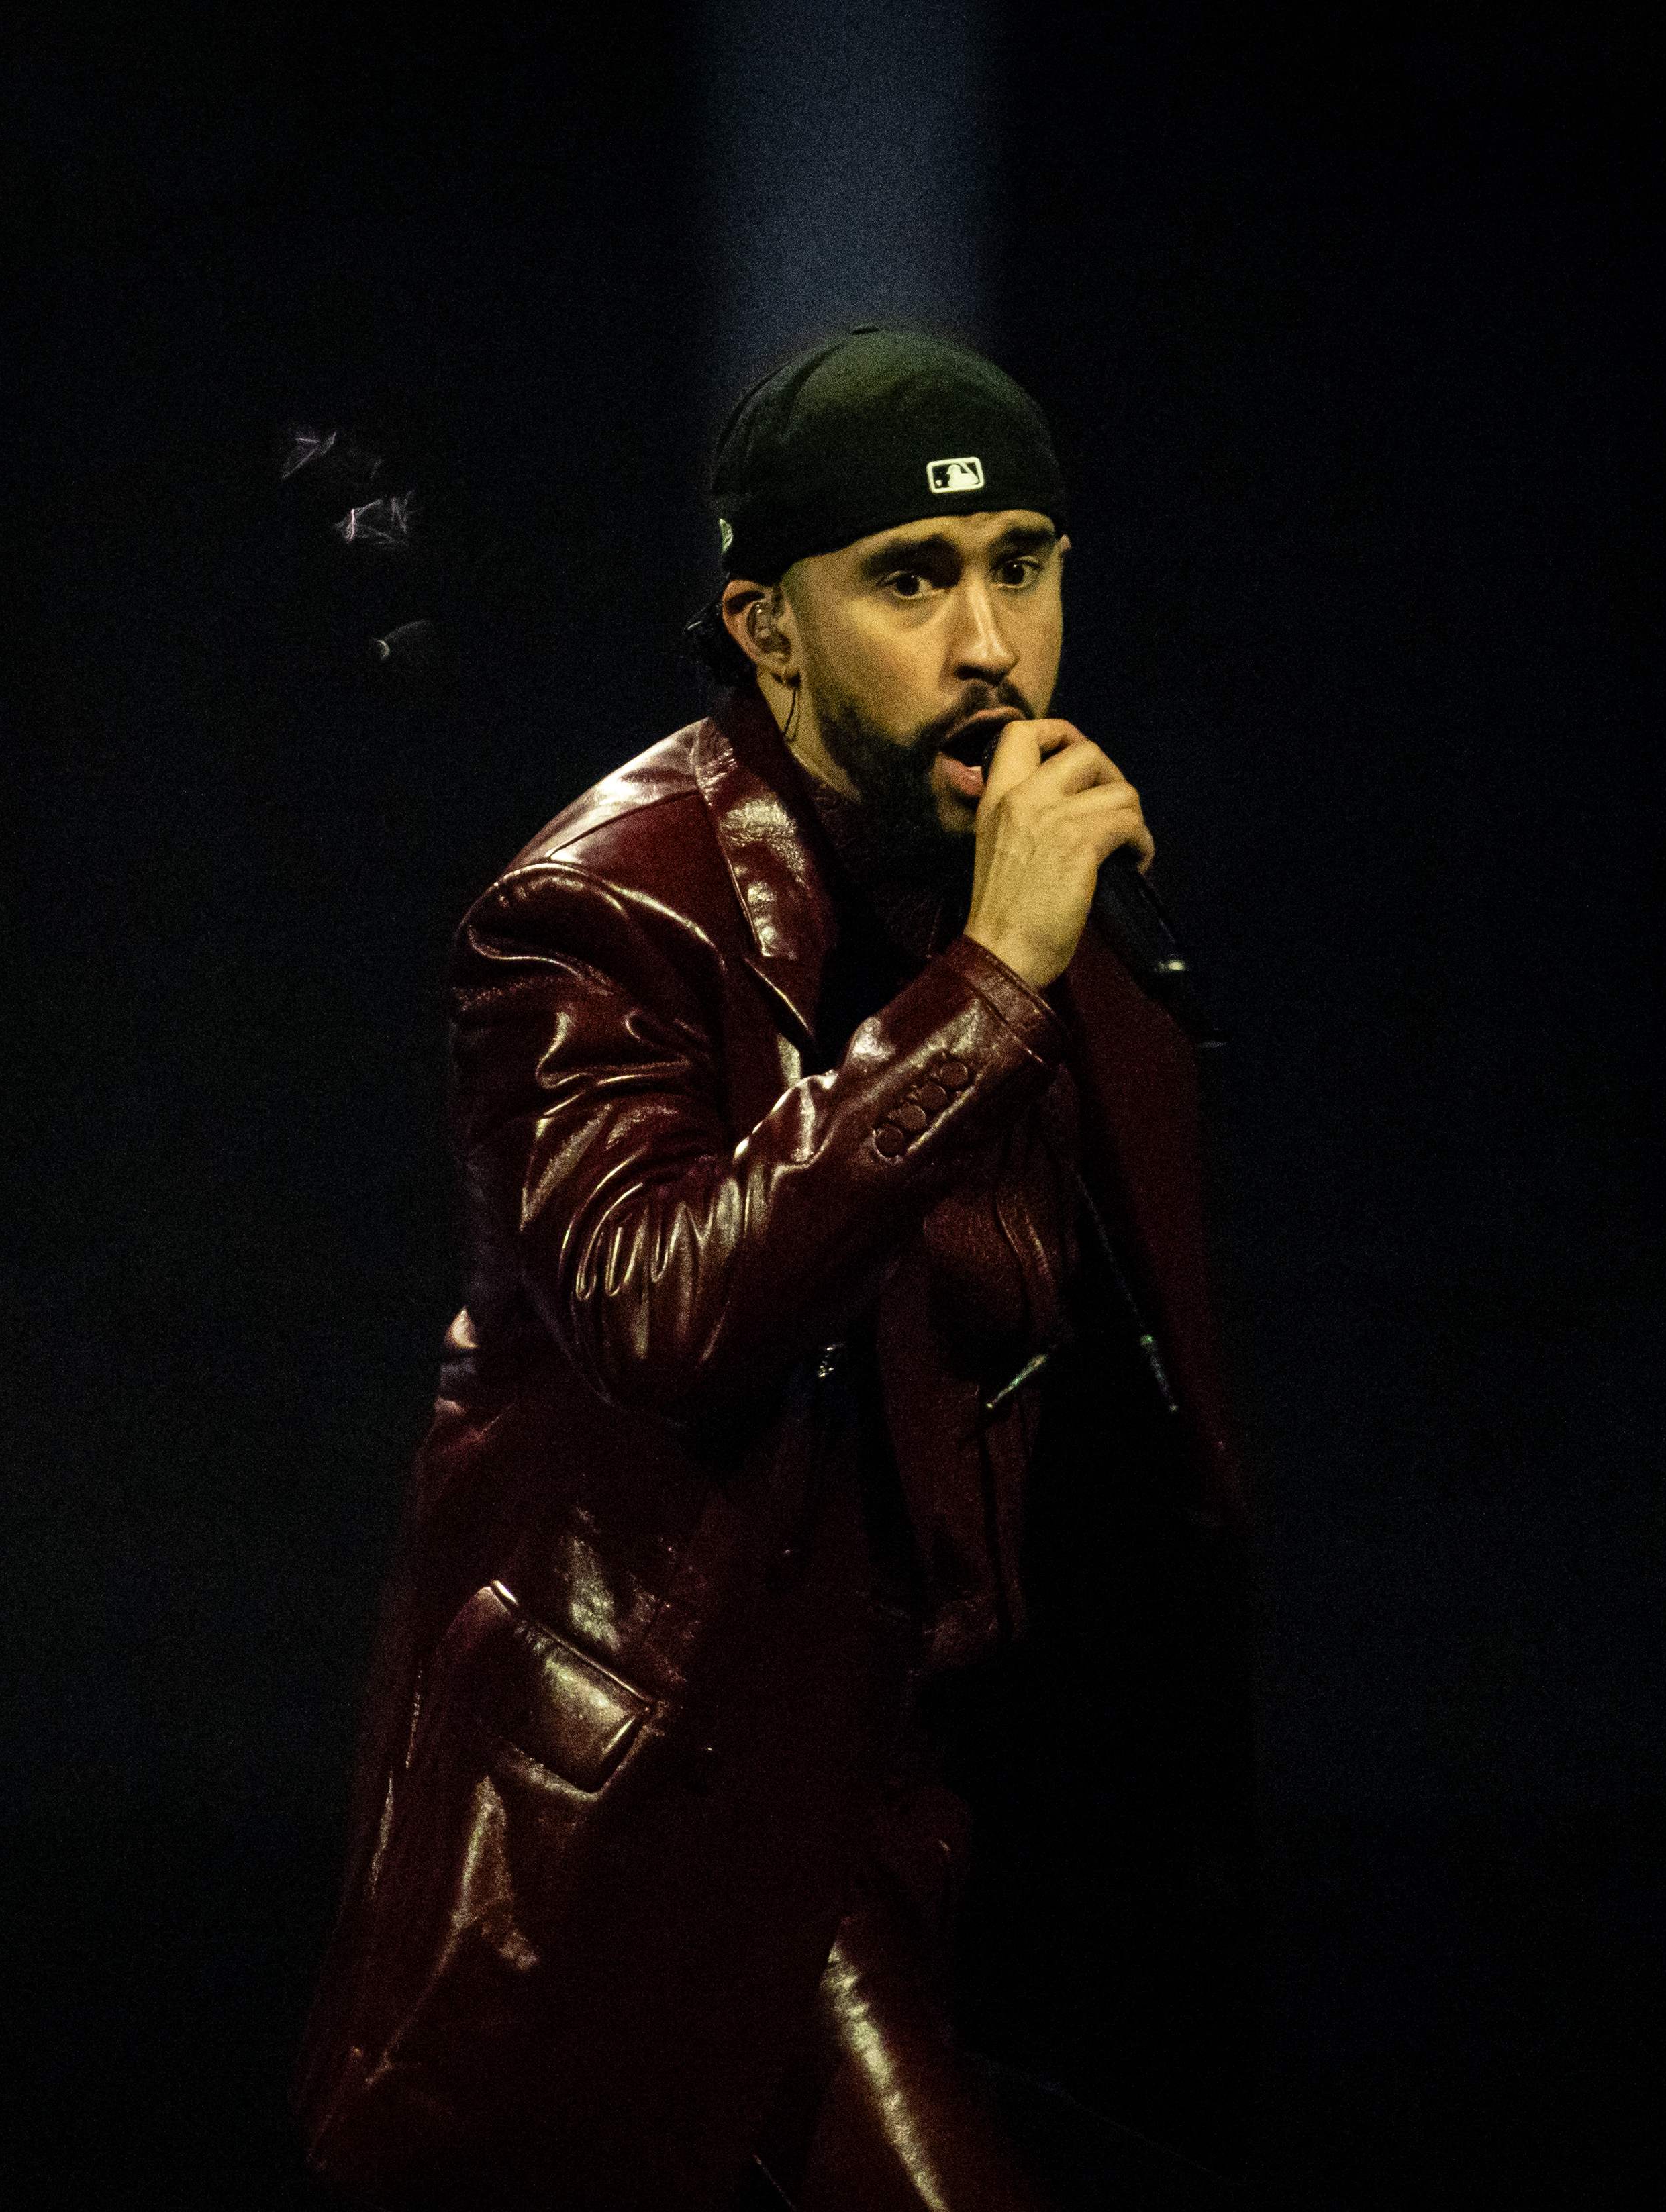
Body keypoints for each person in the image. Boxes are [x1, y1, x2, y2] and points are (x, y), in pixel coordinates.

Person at [293, 327, 1253, 2211]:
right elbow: (667, 1309)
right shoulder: (599, 912)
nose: (990, 641)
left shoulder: (1042, 896)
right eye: (912, 578)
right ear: (766, 624)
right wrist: (988, 993)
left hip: (946, 1806)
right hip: (694, 1809)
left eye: (1023, 568)